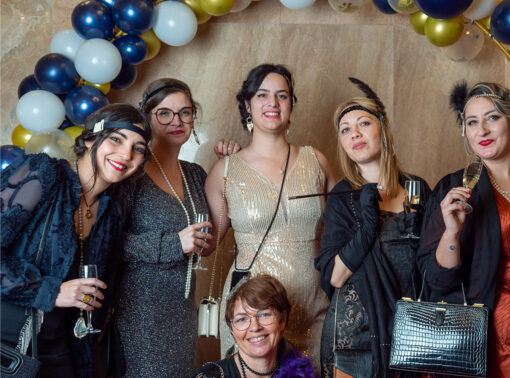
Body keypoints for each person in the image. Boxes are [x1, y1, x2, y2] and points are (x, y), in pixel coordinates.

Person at [417, 82, 510, 376]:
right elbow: (436, 280)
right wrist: (451, 233)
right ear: (465, 132)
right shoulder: (452, 187)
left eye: (492, 117)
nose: (481, 130)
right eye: (472, 122)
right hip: (485, 336)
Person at [1, 104, 151, 377]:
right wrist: (52, 291)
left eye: (138, 148)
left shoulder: (112, 212)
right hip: (7, 345)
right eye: (116, 139)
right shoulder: (42, 173)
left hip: (59, 350)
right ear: (90, 138)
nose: (126, 154)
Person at [205, 64, 337, 363]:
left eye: (282, 95)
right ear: (247, 105)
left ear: (291, 104)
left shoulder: (316, 160)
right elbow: (208, 242)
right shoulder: (225, 170)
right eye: (262, 95)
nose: (273, 103)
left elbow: (344, 227)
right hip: (254, 313)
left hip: (315, 305)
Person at [314, 78, 431, 378]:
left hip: (413, 332)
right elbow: (336, 276)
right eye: (345, 129)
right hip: (356, 338)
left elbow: (430, 267)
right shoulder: (342, 196)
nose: (355, 133)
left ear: (383, 129)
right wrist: (368, 224)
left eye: (363, 123)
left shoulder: (417, 189)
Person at [115, 78, 213, 377]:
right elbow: (109, 241)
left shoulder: (195, 174)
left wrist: (228, 161)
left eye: (185, 112)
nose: (177, 121)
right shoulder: (131, 171)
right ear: (147, 116)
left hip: (183, 310)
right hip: (140, 311)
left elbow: (208, 236)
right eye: (165, 113)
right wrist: (173, 244)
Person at [193, 274, 314, 378]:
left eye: (264, 315)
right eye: (242, 319)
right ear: (232, 329)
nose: (255, 327)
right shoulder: (210, 375)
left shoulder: (302, 372)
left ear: (282, 320)